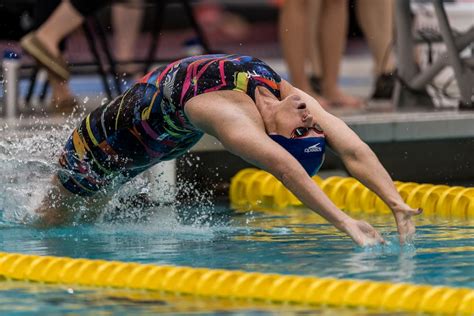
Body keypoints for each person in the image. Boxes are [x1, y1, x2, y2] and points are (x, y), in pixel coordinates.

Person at [35, 54, 421, 246]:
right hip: (130, 133)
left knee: (64, 222)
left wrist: (353, 219)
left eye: (303, 129)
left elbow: (287, 169)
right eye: (313, 126)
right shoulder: (283, 97)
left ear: (277, 136)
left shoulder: (237, 122)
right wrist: (392, 204)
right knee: (67, 214)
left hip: (116, 142)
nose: (309, 115)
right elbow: (351, 146)